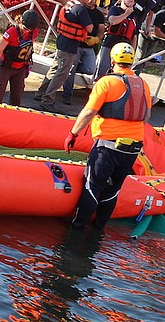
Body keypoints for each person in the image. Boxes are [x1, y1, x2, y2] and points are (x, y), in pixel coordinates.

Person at [64, 42, 152, 231]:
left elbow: (89, 112)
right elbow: (146, 116)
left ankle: (77, 229)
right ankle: (98, 229)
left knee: (92, 186)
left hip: (108, 146)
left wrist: (73, 134)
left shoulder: (106, 82)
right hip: (133, 148)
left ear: (112, 60)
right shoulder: (143, 85)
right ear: (131, 61)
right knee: (113, 189)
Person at [36, 0, 98, 111]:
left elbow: (63, 0)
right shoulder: (80, 9)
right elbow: (90, 28)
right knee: (62, 73)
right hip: (70, 44)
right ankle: (47, 100)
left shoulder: (70, 3)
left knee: (55, 68)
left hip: (62, 40)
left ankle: (41, 93)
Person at [0, 9, 39, 105]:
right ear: (21, 22)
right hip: (6, 66)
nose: (26, 31)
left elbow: (29, 48)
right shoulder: (11, 32)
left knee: (17, 97)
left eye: (30, 30)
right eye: (25, 28)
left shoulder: (33, 32)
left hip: (20, 68)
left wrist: (27, 64)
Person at [62, 0, 104, 107]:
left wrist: (96, 39)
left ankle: (73, 66)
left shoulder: (98, 14)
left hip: (89, 47)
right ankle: (67, 94)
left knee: (90, 69)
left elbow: (101, 31)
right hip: (76, 44)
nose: (91, 0)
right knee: (70, 70)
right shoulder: (78, 8)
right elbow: (62, 1)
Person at [94, 0, 138, 78]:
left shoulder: (134, 16)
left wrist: (132, 52)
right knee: (102, 70)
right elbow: (113, 21)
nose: (132, 0)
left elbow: (134, 36)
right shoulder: (115, 10)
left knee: (118, 73)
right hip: (111, 43)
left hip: (124, 47)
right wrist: (126, 14)